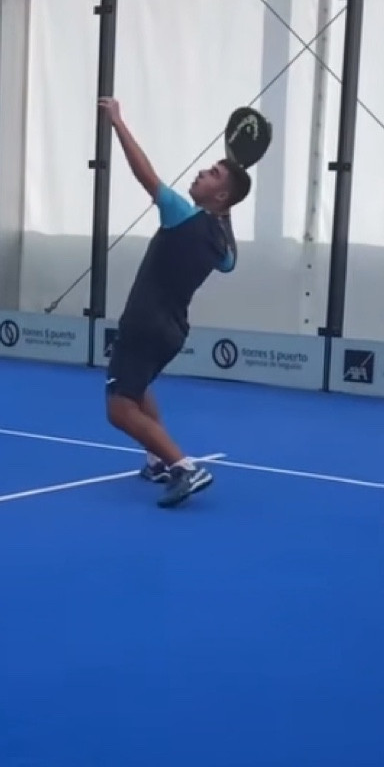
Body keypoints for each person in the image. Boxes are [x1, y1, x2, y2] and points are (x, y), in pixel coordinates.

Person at [100, 95, 251, 508]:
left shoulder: (182, 214)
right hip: (171, 330)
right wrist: (226, 211)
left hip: (143, 322)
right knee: (138, 388)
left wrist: (118, 123)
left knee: (119, 408)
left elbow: (145, 175)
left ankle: (184, 466)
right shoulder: (219, 241)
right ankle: (157, 462)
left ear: (220, 195)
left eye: (213, 174)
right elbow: (230, 264)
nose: (203, 172)